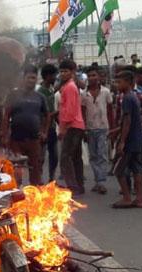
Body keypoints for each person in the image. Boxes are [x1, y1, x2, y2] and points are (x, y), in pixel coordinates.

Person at [2, 65, 48, 186]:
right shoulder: (13, 95)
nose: (31, 80)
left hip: (34, 139)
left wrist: (44, 132)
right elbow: (6, 115)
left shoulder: (40, 97)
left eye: (33, 78)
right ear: (23, 78)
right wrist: (5, 135)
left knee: (35, 168)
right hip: (16, 139)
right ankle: (17, 193)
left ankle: (35, 193)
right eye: (29, 77)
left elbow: (47, 116)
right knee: (16, 168)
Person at [112, 71, 142, 209]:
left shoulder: (126, 98)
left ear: (128, 82)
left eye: (119, 82)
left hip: (130, 141)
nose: (117, 85)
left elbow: (127, 121)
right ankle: (139, 199)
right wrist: (115, 131)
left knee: (119, 171)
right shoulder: (134, 97)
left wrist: (122, 141)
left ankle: (126, 197)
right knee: (137, 170)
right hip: (137, 139)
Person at [81, 65, 113, 194]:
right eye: (89, 76)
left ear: (99, 77)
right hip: (90, 128)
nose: (92, 78)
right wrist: (83, 129)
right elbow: (82, 112)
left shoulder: (106, 92)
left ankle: (101, 181)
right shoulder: (84, 94)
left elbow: (110, 111)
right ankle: (97, 180)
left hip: (103, 128)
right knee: (93, 156)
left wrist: (112, 127)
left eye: (94, 75)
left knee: (102, 155)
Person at [58, 60, 86, 196]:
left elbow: (68, 112)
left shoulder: (69, 87)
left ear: (72, 72)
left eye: (66, 71)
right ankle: (79, 185)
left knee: (65, 157)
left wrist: (63, 129)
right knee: (75, 157)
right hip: (77, 125)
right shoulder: (71, 86)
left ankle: (73, 187)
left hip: (72, 126)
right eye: (61, 71)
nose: (63, 74)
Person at [37, 64, 59, 182]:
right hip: (43, 128)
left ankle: (52, 179)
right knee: (41, 156)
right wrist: (57, 113)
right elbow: (45, 114)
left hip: (52, 127)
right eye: (54, 75)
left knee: (54, 156)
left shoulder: (51, 90)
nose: (56, 77)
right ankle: (39, 179)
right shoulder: (41, 92)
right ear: (48, 76)